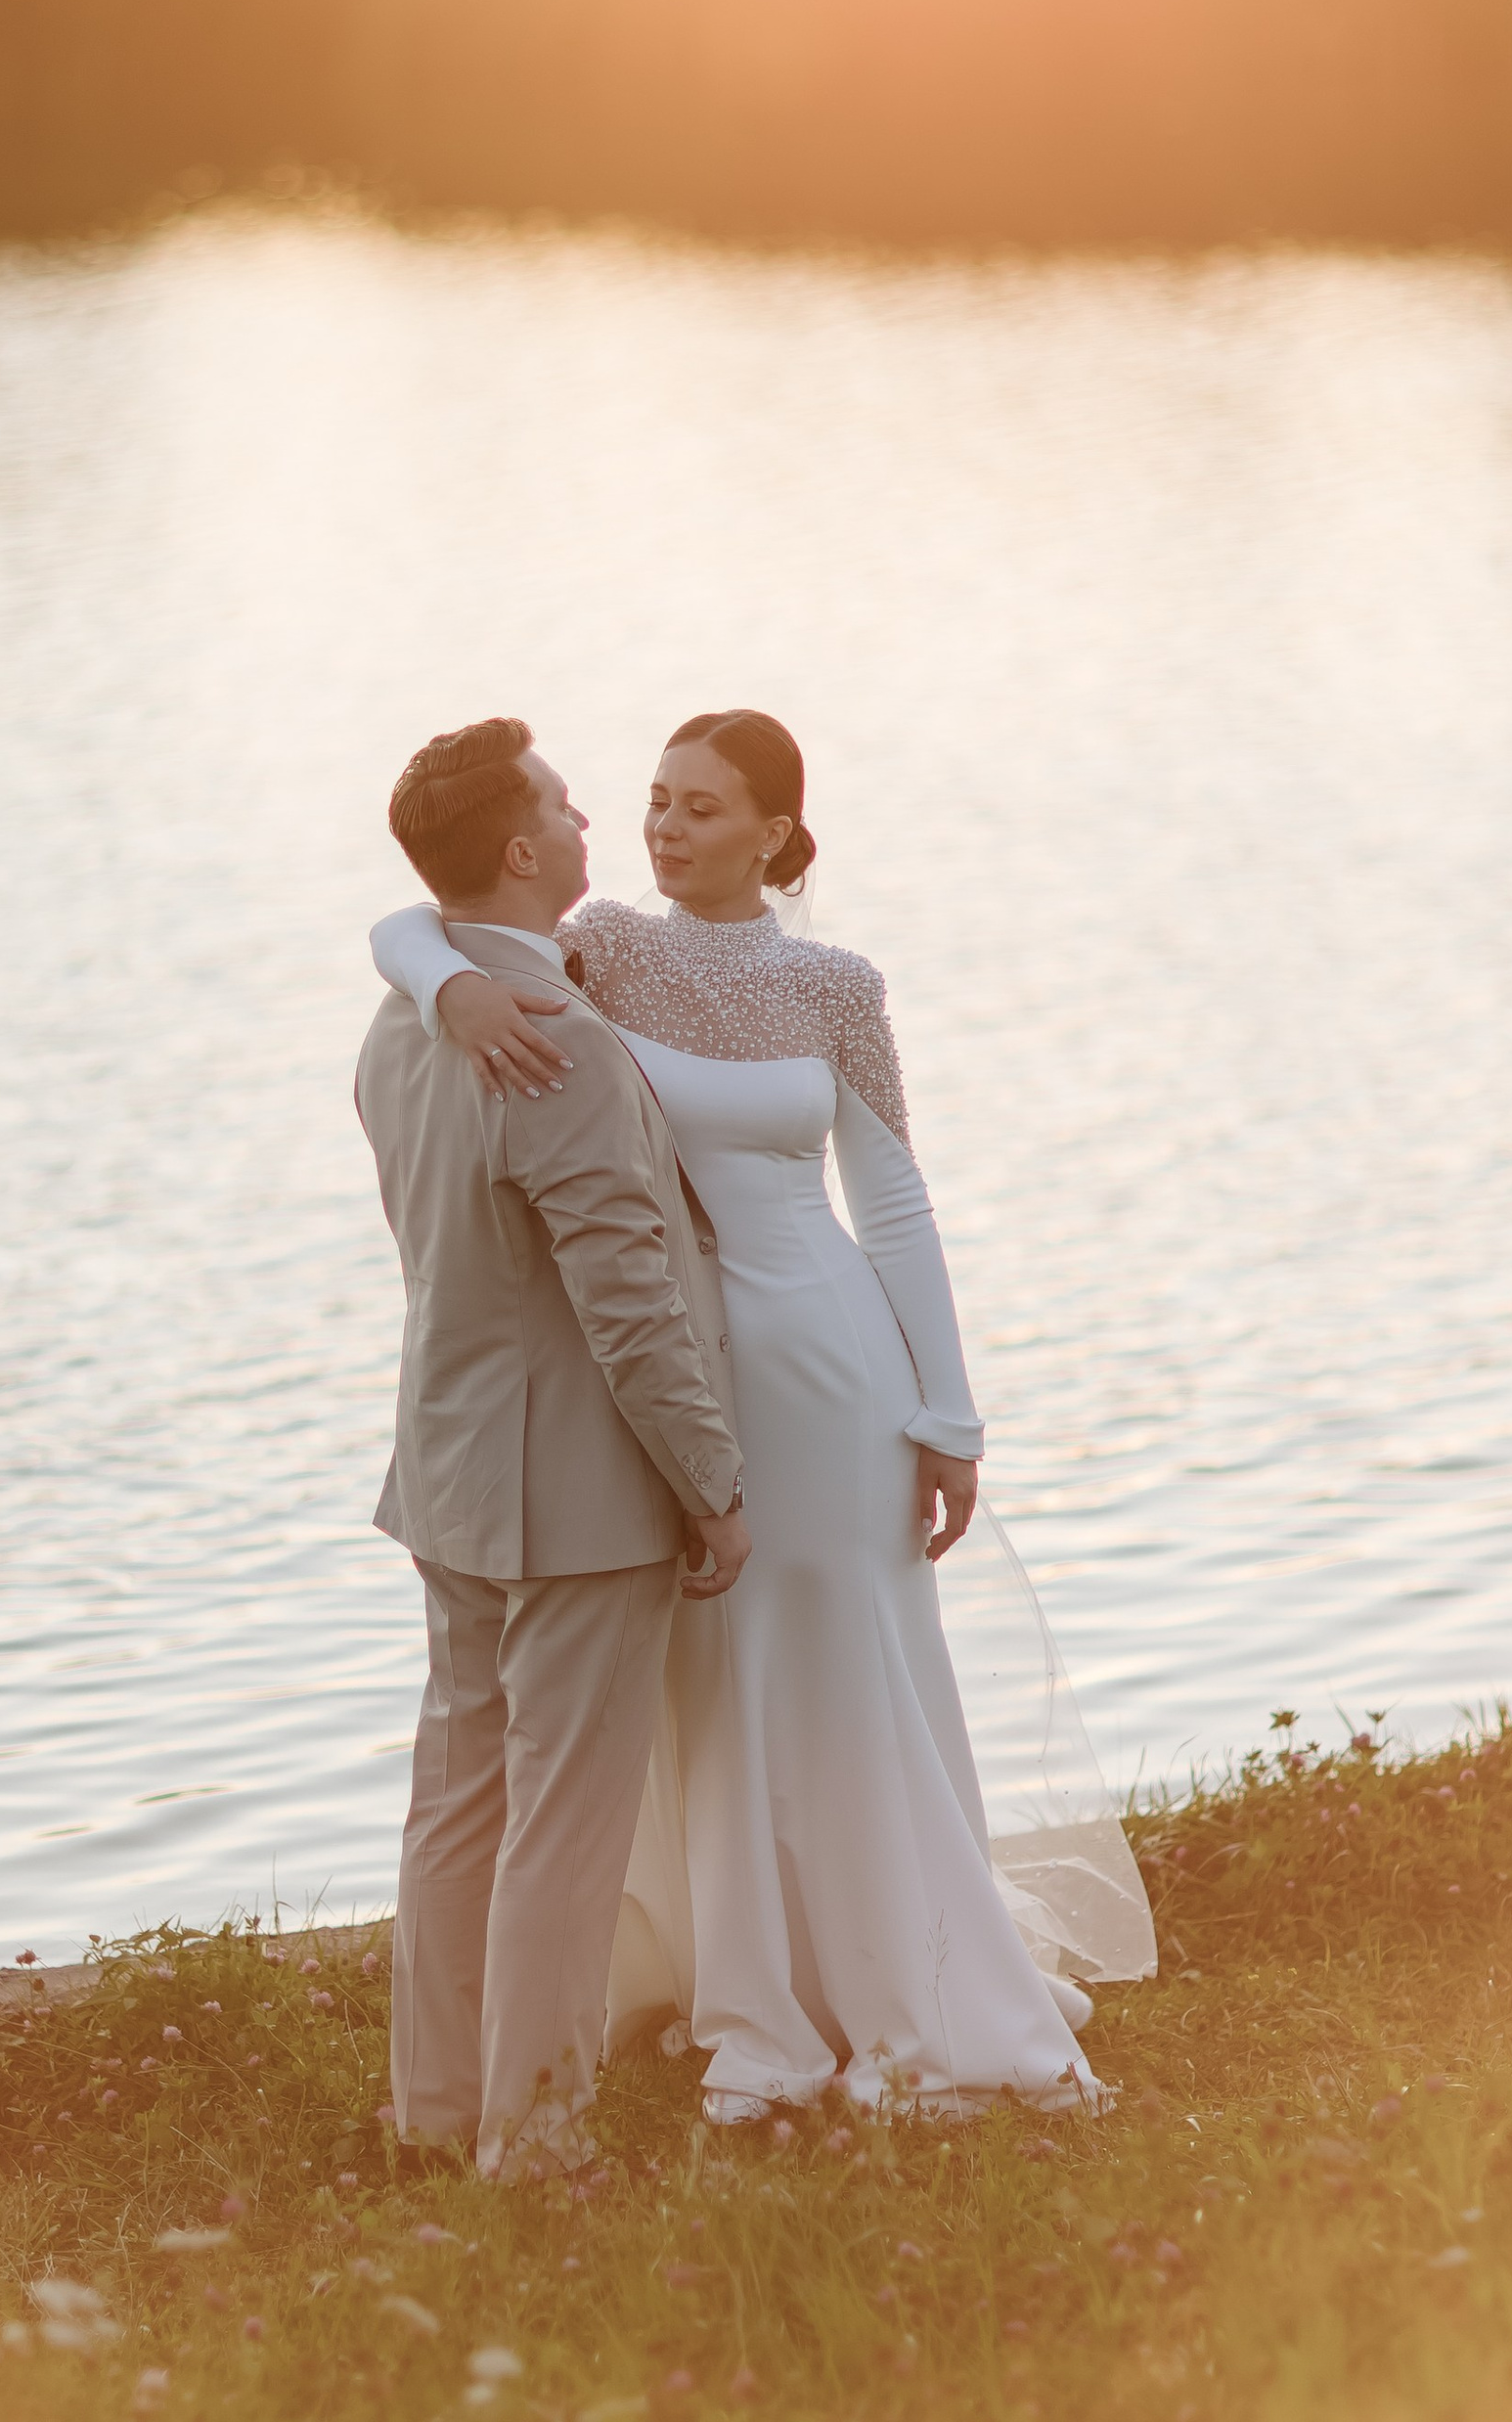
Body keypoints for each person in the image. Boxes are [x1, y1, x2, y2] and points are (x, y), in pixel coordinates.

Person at [372, 708, 1123, 2125]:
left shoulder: (838, 987)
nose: (662, 826)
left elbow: (891, 1199)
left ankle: (900, 1971)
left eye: (702, 807)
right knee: (721, 1683)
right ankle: (755, 1989)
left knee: (847, 1654)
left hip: (833, 1363)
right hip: (685, 1381)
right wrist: (443, 990)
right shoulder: (602, 952)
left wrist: (947, 1411)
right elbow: (421, 922)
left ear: (776, 829)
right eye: (652, 799)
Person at [355, 716, 751, 2177]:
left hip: (449, 1470)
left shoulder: (403, 1025)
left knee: (457, 1801)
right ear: (522, 851)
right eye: (571, 806)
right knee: (562, 1829)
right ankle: (535, 2142)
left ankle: (435, 2115)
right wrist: (710, 1485)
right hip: (578, 1497)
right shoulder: (556, 1049)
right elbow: (628, 1299)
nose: (596, 821)